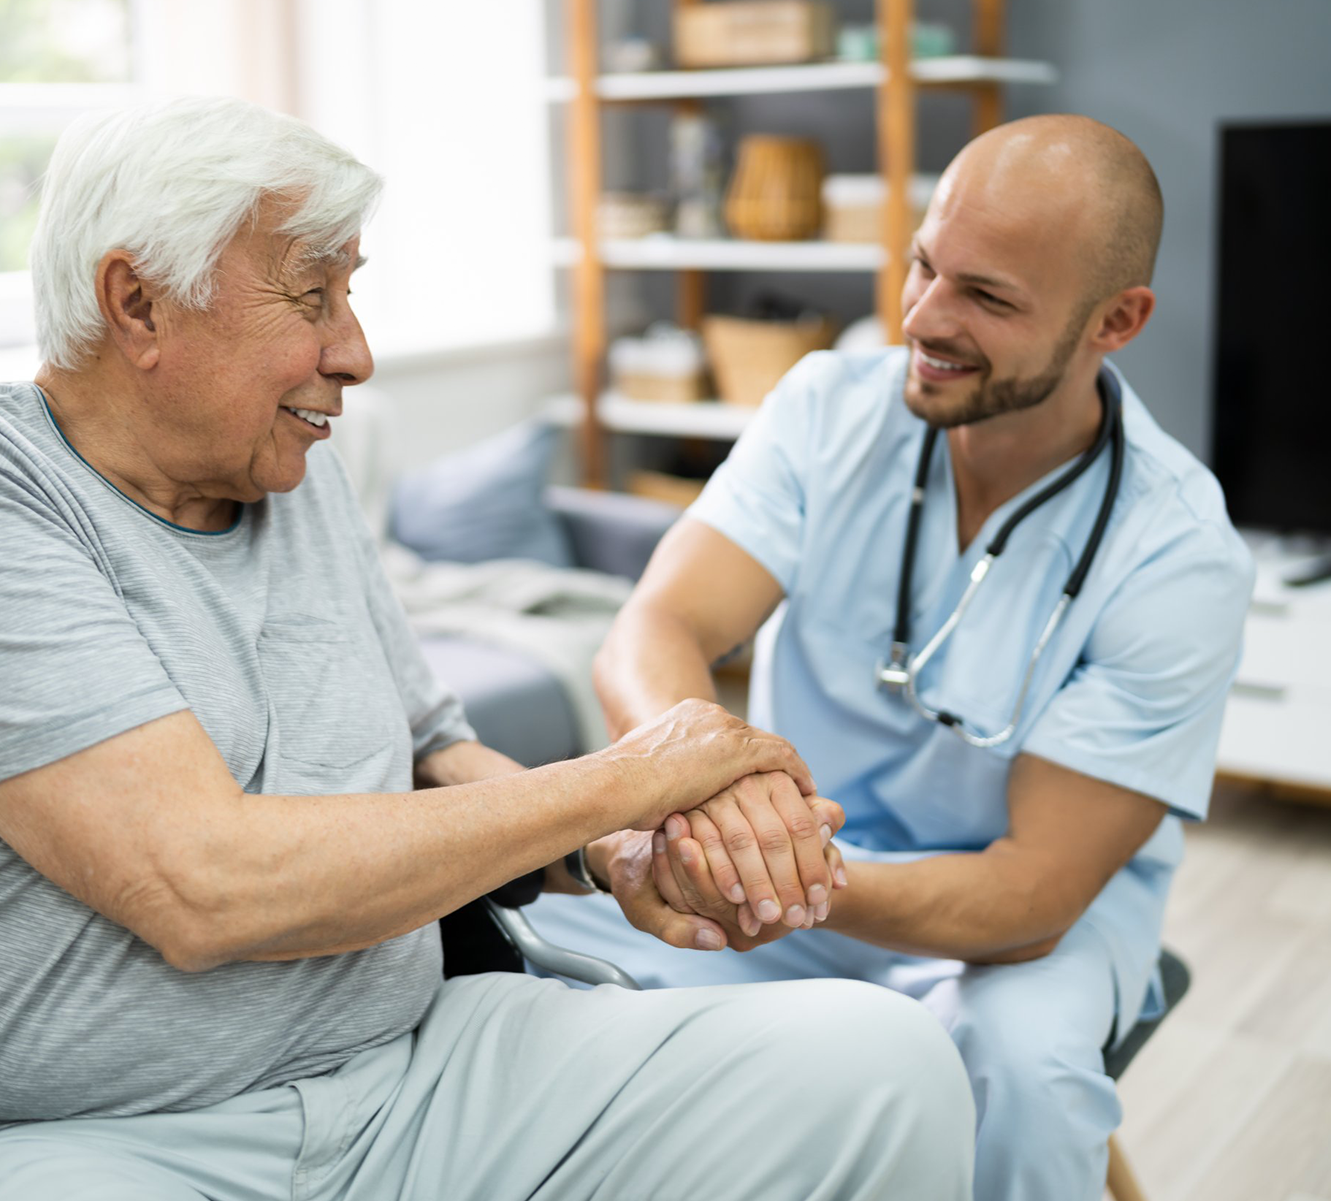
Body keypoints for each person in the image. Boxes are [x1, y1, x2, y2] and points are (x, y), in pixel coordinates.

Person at [0, 96, 975, 1200]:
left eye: (348, 294)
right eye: (311, 295)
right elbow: (199, 885)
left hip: (422, 1077)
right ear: (138, 303)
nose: (355, 352)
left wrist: (619, 850)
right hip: (92, 1146)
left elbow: (434, 751)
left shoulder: (289, 474)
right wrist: (634, 774)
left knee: (884, 1064)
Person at [526, 115, 1255, 1201]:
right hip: (792, 868)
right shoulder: (827, 408)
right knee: (536, 970)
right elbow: (657, 630)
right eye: (924, 264)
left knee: (1022, 1075)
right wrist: (705, 783)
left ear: (1117, 320)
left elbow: (1028, 896)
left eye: (987, 297)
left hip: (1015, 929)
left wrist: (770, 869)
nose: (923, 317)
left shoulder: (1179, 555)